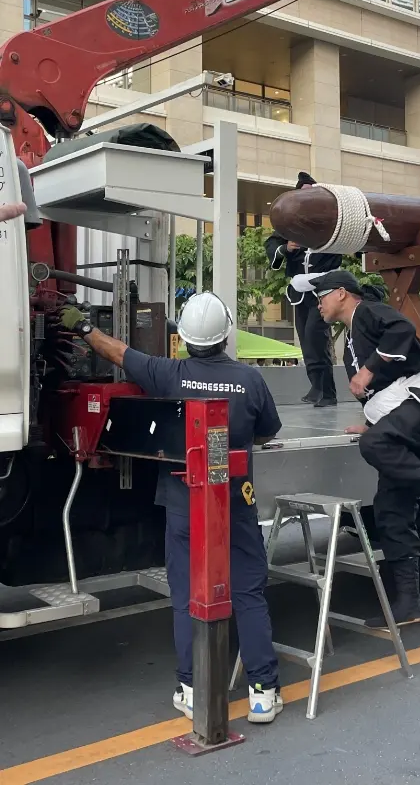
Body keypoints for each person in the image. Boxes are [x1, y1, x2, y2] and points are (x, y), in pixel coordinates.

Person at [57, 291, 284, 724]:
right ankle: (262, 693)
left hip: (184, 507)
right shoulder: (250, 380)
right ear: (225, 334)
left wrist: (83, 327)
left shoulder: (167, 373)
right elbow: (265, 433)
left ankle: (191, 688)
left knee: (186, 596)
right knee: (248, 593)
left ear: (185, 336)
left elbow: (120, 353)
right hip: (236, 504)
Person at [310, 270, 420, 629]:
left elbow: (403, 331)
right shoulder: (351, 333)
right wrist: (376, 420)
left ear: (343, 294)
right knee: (390, 512)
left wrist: (368, 372)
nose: (318, 304)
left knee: (373, 444)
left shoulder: (369, 312)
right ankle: (409, 604)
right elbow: (386, 390)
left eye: (322, 297)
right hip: (404, 416)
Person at [265, 171, 341, 407]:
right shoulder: (290, 224)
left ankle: (328, 392)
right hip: (300, 292)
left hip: (324, 290)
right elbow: (272, 243)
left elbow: (352, 238)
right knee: (306, 341)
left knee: (316, 337)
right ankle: (315, 387)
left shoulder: (331, 221)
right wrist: (286, 247)